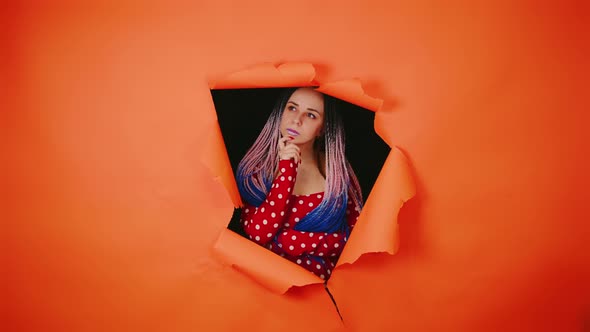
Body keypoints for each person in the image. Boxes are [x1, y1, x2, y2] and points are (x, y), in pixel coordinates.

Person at [235, 87, 363, 280]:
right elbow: (258, 233)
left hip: (317, 289)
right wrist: (287, 169)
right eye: (292, 108)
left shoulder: (335, 172)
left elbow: (355, 239)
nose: (297, 119)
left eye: (311, 115)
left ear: (322, 128)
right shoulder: (257, 168)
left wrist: (297, 241)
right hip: (261, 284)